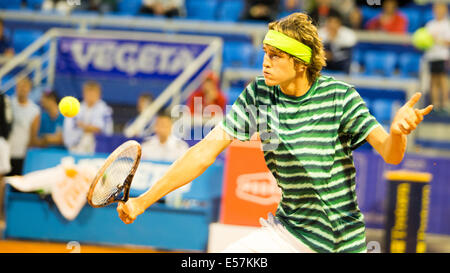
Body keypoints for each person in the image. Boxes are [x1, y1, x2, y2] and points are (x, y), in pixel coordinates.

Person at [116, 13, 433, 253]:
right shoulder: (258, 95)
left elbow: (392, 153)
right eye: (265, 53)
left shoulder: (340, 97)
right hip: (288, 236)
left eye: (275, 56)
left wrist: (398, 132)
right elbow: (203, 152)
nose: (264, 63)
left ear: (299, 63)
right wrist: (144, 201)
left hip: (343, 243)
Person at [63, 81, 113, 154]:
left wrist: (84, 126)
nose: (90, 96)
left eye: (93, 93)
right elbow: (70, 127)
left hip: (99, 146)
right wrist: (86, 128)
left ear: (99, 94)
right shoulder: (77, 108)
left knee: (88, 138)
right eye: (88, 93)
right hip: (77, 144)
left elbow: (98, 129)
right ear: (84, 94)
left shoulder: (104, 109)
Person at [7, 77, 40, 176]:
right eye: (20, 86)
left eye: (25, 86)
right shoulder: (7, 104)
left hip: (21, 154)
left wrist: (27, 153)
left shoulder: (34, 110)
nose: (22, 89)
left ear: (29, 89)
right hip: (5, 152)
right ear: (16, 88)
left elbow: (33, 135)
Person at [424, 2, 450, 112]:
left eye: (441, 9)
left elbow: (448, 42)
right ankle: (434, 105)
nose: (439, 11)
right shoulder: (430, 25)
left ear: (445, 11)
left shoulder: (447, 25)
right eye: (437, 9)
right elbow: (424, 41)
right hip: (431, 56)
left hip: (442, 56)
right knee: (433, 80)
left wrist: (437, 40)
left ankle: (444, 104)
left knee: (442, 79)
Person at [0, 92, 12, 224]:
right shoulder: (4, 98)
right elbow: (8, 122)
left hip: (1, 141)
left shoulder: (4, 98)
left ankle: (1, 214)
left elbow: (8, 121)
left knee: (1, 180)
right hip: (2, 141)